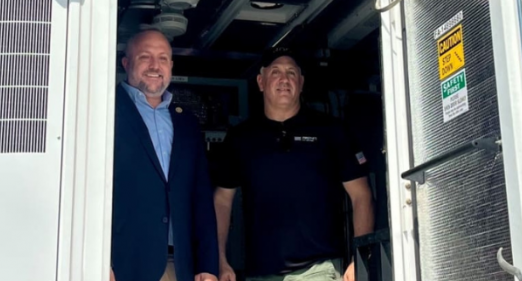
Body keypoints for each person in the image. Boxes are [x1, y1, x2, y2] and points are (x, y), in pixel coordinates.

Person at [213, 49, 374, 281]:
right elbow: (221, 200)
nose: (284, 79)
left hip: (320, 270)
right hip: (260, 274)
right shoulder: (241, 138)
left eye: (291, 73)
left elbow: (362, 195)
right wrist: (219, 259)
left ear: (301, 82)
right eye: (275, 72)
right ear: (261, 81)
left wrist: (359, 259)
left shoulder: (331, 131)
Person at [111, 29, 219, 281]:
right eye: (145, 57)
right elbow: (89, 190)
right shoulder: (105, 111)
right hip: (122, 266)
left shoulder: (186, 123)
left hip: (180, 266)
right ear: (126, 63)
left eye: (162, 58)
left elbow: (200, 197)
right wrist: (99, 259)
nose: (154, 66)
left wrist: (208, 266)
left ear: (171, 65)